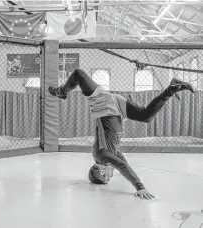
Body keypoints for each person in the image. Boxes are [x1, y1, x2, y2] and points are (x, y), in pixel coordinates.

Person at [49, 69, 195, 200]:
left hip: (103, 104)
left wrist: (140, 187)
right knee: (146, 116)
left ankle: (61, 91)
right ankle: (172, 88)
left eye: (106, 179)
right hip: (117, 109)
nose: (109, 178)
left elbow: (121, 166)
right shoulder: (109, 155)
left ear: (100, 172)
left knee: (78, 74)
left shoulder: (102, 156)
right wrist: (129, 178)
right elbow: (123, 164)